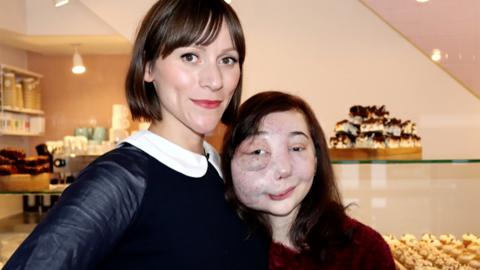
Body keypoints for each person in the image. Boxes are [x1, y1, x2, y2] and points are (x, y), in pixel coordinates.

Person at [4, 1, 268, 269]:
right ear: (148, 68)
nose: (214, 80)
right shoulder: (121, 179)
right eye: (190, 56)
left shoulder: (221, 168)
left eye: (227, 60)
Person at [221, 91, 395, 270]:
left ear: (316, 158)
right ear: (229, 162)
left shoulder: (364, 253)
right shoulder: (213, 246)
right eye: (258, 151)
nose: (283, 169)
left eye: (296, 148)